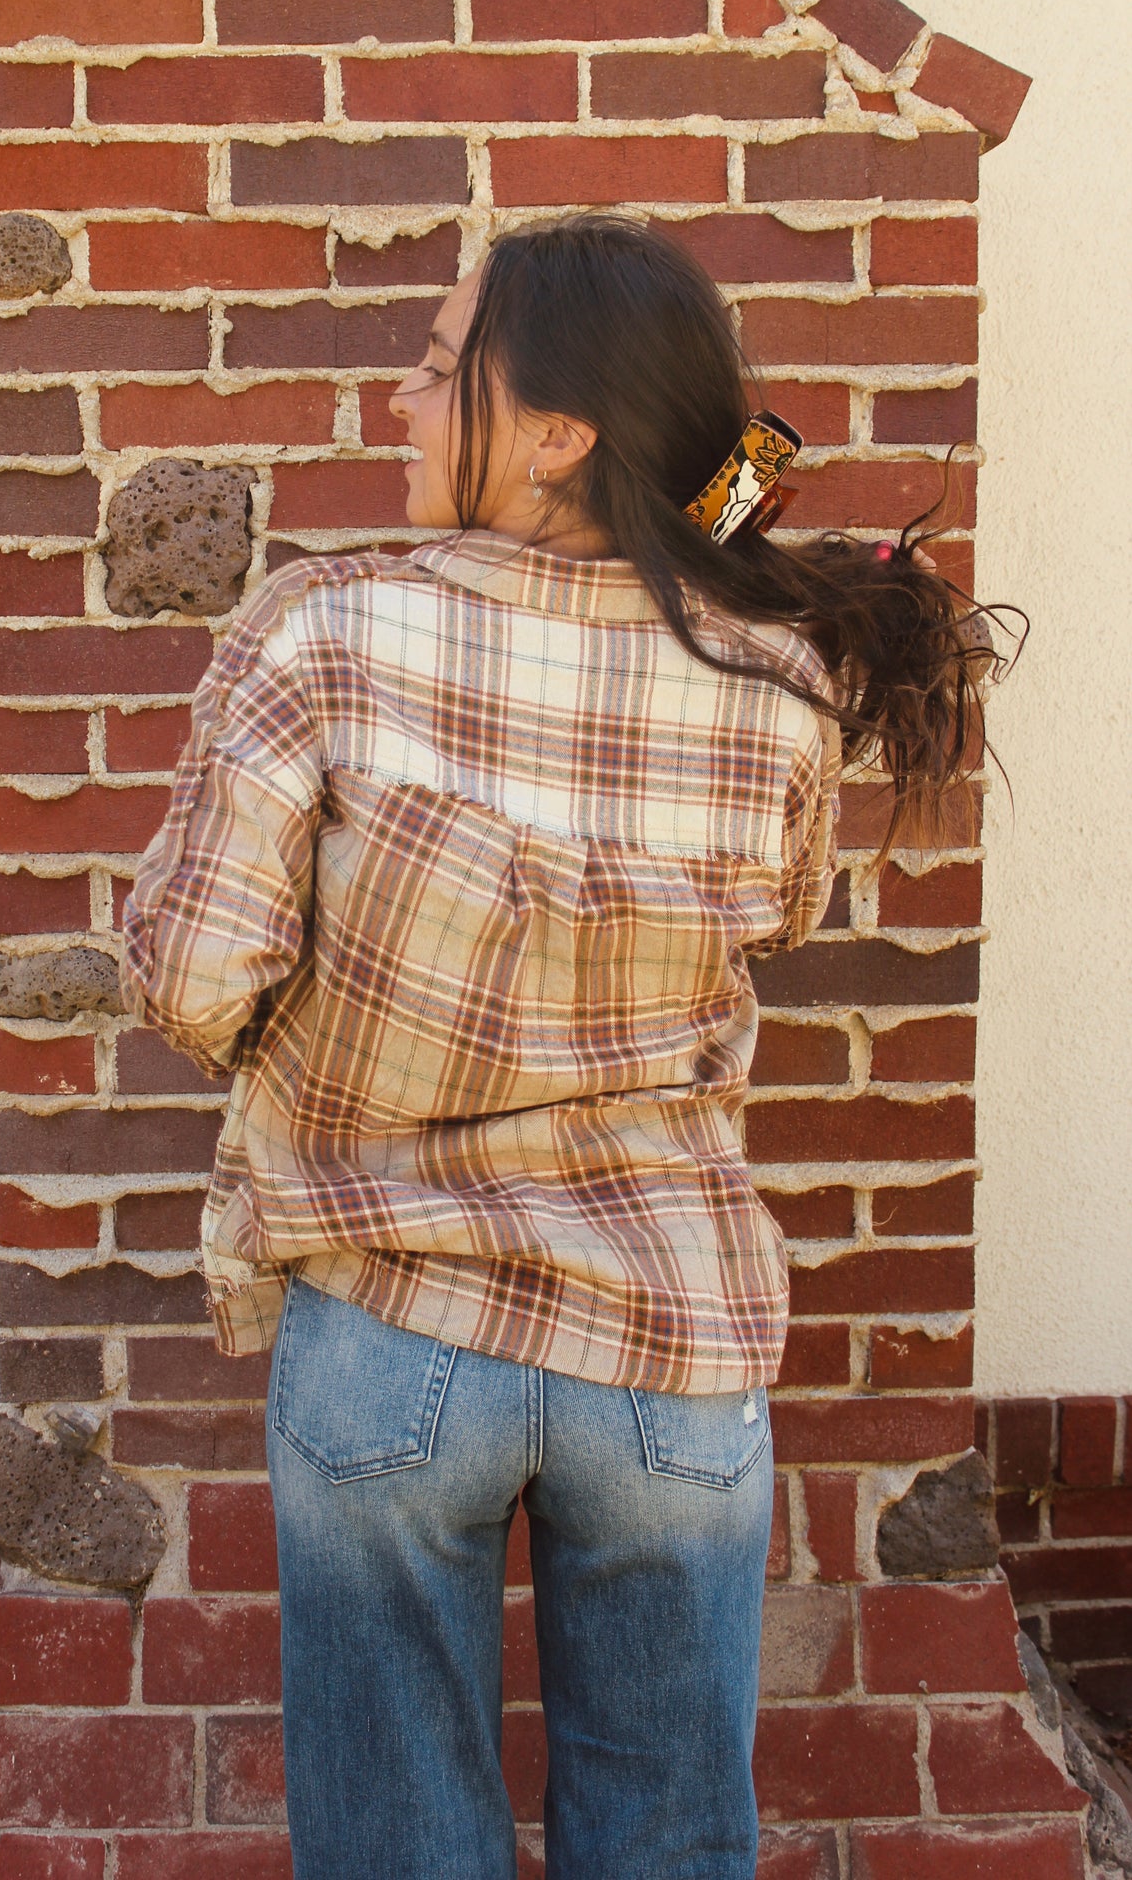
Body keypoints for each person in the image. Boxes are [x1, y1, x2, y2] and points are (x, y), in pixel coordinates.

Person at [121, 214, 1010, 1879]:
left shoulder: (319, 633)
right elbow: (773, 921)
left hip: (391, 1323)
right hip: (671, 1350)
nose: (398, 394)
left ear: (554, 434)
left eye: (440, 362)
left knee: (396, 1851)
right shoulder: (773, 677)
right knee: (671, 1845)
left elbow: (192, 987)